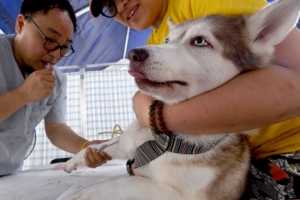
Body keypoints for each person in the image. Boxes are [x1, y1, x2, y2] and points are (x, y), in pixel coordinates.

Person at [90, 0, 300, 199]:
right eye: (109, 5)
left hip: (289, 150)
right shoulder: (155, 42)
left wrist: (155, 116)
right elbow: (143, 104)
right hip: (237, 159)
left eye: (199, 41)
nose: (120, 5)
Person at [0, 0, 111, 177]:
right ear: (21, 24)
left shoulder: (57, 80)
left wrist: (86, 147)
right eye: (50, 40)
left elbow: (56, 128)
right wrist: (23, 95)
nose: (56, 54)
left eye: (64, 48)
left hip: (11, 174)